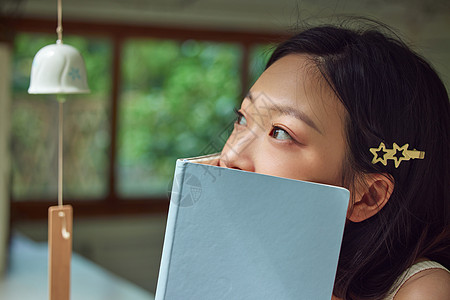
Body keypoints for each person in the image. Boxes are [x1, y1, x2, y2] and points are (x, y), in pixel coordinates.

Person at [218, 20, 450, 300]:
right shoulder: (246, 256)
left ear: (367, 196)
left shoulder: (424, 288)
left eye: (280, 132)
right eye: (242, 118)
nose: (230, 156)